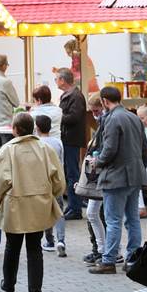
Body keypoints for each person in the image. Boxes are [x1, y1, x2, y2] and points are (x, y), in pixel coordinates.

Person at [0, 112, 65, 292]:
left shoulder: (6, 151)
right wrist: (51, 194)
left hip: (14, 205)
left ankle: (9, 284)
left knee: (11, 246)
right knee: (35, 248)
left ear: (15, 130)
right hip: (38, 205)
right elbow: (58, 181)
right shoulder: (45, 149)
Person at [89, 86, 147, 274]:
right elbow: (145, 149)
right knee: (132, 219)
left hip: (116, 177)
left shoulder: (112, 119)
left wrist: (96, 162)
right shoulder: (133, 117)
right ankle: (132, 258)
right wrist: (140, 167)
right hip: (135, 175)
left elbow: (109, 150)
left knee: (113, 219)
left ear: (105, 101)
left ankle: (108, 261)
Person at [55, 67, 86, 220]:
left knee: (73, 173)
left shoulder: (76, 96)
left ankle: (76, 208)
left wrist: (58, 116)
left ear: (62, 80)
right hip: (68, 138)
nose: (55, 81)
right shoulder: (69, 95)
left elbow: (74, 117)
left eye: (56, 78)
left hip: (72, 139)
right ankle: (73, 206)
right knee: (69, 172)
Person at [35, 114, 67, 257]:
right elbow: (62, 163)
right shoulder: (57, 142)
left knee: (45, 211)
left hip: (41, 182)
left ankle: (49, 240)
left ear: (37, 128)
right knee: (59, 211)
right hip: (56, 180)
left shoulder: (36, 143)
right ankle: (61, 240)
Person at [83, 92, 108, 266]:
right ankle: (101, 249)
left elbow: (106, 148)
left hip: (103, 173)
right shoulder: (104, 122)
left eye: (96, 110)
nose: (94, 114)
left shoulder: (107, 122)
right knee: (96, 213)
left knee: (95, 213)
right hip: (101, 173)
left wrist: (96, 158)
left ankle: (104, 250)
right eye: (92, 111)